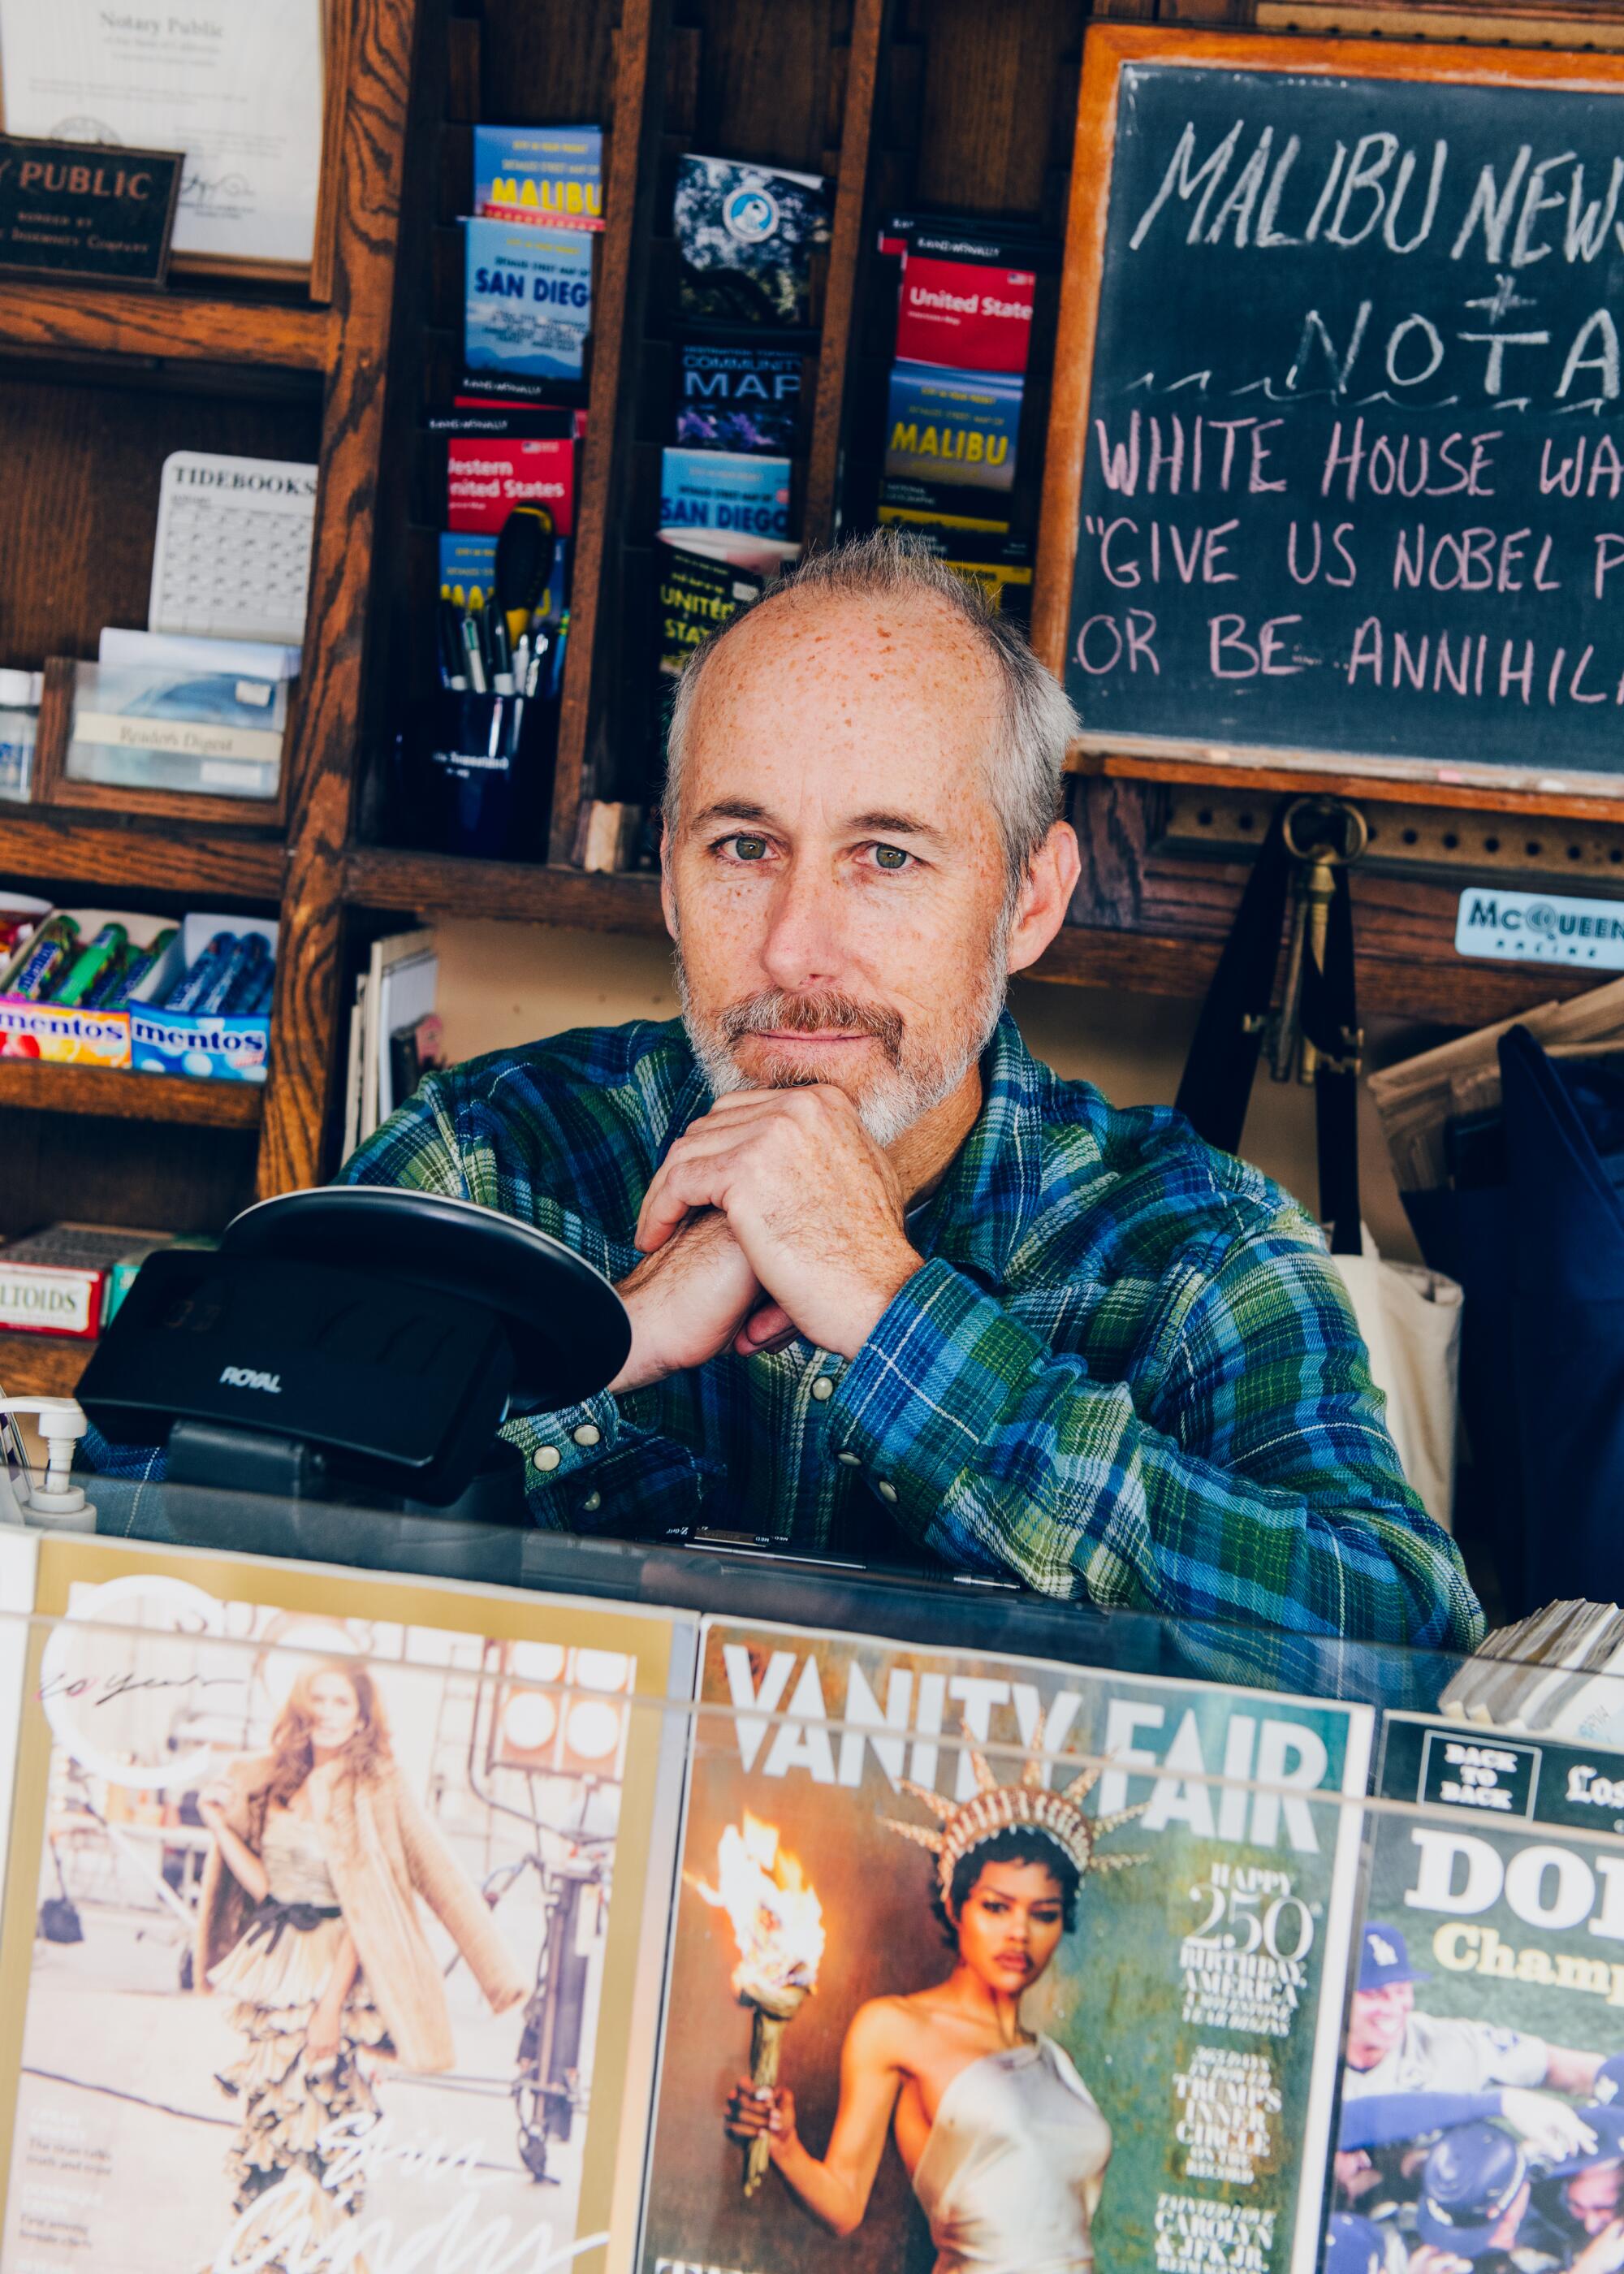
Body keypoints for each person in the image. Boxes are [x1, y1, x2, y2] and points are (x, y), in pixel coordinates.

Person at [339, 530, 1480, 1646]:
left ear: (1029, 901)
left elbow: (1403, 1639)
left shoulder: (1200, 1256)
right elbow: (179, 1503)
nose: (795, 951)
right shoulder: (484, 1159)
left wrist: (898, 1323)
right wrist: (599, 1342)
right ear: (674, 885)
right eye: (744, 846)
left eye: (886, 856)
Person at [721, 1753, 1137, 2272]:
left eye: (1044, 1914)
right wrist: (784, 2146)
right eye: (996, 1907)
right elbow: (844, 2205)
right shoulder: (896, 2027)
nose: (1019, 1933)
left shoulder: (1056, 2062)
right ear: (955, 1904)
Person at [195, 1658, 526, 2263]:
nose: (326, 1712)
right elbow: (268, 1887)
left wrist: (497, 1978)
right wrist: (218, 1822)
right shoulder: (275, 1779)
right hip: (274, 1974)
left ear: (363, 1716)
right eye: (317, 1699)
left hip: (335, 1975)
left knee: (318, 2132)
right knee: (272, 2130)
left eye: (341, 1702)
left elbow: (419, 1882)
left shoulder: (378, 1784)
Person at [1342, 1926, 1606, 2101]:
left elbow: (1556, 2065)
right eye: (1374, 1994)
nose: (1392, 2007)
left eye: (1400, 1990)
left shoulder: (1449, 2044)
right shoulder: (1306, 2052)